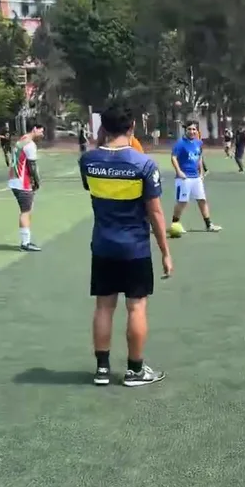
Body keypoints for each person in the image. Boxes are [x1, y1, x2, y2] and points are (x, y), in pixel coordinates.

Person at [80, 103, 173, 387]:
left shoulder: (88, 161)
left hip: (103, 246)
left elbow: (91, 188)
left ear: (103, 128)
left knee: (104, 307)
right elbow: (155, 212)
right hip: (135, 248)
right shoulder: (144, 164)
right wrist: (165, 252)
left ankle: (102, 370)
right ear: (132, 127)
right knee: (136, 307)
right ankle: (135, 371)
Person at [169, 120, 222, 233]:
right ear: (185, 130)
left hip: (196, 178)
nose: (192, 131)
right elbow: (173, 157)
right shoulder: (180, 143)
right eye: (189, 129)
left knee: (202, 200)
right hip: (184, 178)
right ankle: (175, 224)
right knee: (182, 202)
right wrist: (179, 172)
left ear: (197, 131)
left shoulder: (198, 143)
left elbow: (199, 158)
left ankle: (209, 225)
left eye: (194, 129)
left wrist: (201, 172)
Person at [8, 121, 46, 252]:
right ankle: (25, 243)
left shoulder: (22, 140)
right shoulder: (30, 145)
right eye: (41, 131)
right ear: (35, 129)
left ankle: (26, 241)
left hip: (14, 180)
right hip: (22, 182)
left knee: (27, 210)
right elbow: (32, 166)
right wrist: (37, 181)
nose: (42, 134)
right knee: (26, 211)